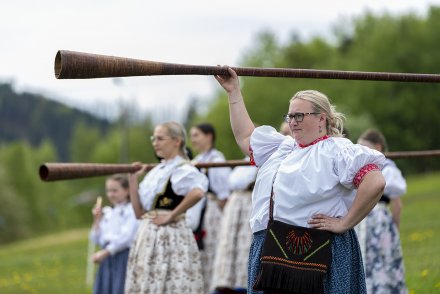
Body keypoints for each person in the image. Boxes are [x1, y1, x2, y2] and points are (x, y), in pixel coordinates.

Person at [215, 67, 386, 294]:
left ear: (321, 118)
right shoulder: (281, 147)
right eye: (290, 116)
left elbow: (375, 182)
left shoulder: (336, 149)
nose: (293, 121)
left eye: (299, 115)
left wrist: (345, 222)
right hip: (271, 247)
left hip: (318, 251)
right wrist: (233, 92)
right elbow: (246, 136)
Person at [124, 121, 208, 294]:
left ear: (177, 141)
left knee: (171, 283)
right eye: (154, 138)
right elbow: (139, 213)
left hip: (171, 235)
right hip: (147, 235)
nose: (155, 142)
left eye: (160, 138)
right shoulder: (157, 171)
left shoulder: (182, 169)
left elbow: (198, 192)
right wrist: (132, 180)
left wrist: (172, 215)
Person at [356, 129, 408, 293]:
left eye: (364, 147)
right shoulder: (360, 167)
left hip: (378, 220)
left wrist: (394, 229)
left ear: (377, 147)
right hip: (361, 219)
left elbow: (397, 204)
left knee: (382, 258)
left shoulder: (387, 168)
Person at [189, 122, 231, 293]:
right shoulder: (196, 161)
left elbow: (224, 193)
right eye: (192, 136)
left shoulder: (216, 159)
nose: (193, 140)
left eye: (196, 135)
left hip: (211, 212)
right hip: (195, 211)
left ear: (209, 136)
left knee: (211, 250)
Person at [211, 156, 258, 293]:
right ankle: (226, 282)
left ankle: (242, 285)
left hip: (248, 205)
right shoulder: (244, 161)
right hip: (235, 207)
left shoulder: (267, 157)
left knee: (245, 247)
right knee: (229, 246)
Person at [89, 174, 139, 294]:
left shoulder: (132, 211)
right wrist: (97, 220)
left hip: (123, 257)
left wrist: (106, 252)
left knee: (120, 288)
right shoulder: (108, 212)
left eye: (115, 190)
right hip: (107, 258)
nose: (111, 194)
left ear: (127, 191)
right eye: (108, 191)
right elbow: (96, 239)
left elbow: (127, 238)